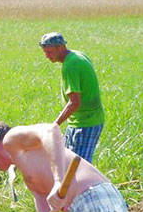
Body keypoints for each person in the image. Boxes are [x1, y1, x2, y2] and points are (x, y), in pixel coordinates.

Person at [40, 32, 104, 163]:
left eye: (50, 52)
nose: (47, 56)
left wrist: (55, 125)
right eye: (45, 52)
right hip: (81, 120)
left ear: (61, 47)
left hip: (85, 123)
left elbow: (75, 102)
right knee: (68, 163)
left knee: (78, 168)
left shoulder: (70, 65)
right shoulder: (77, 55)